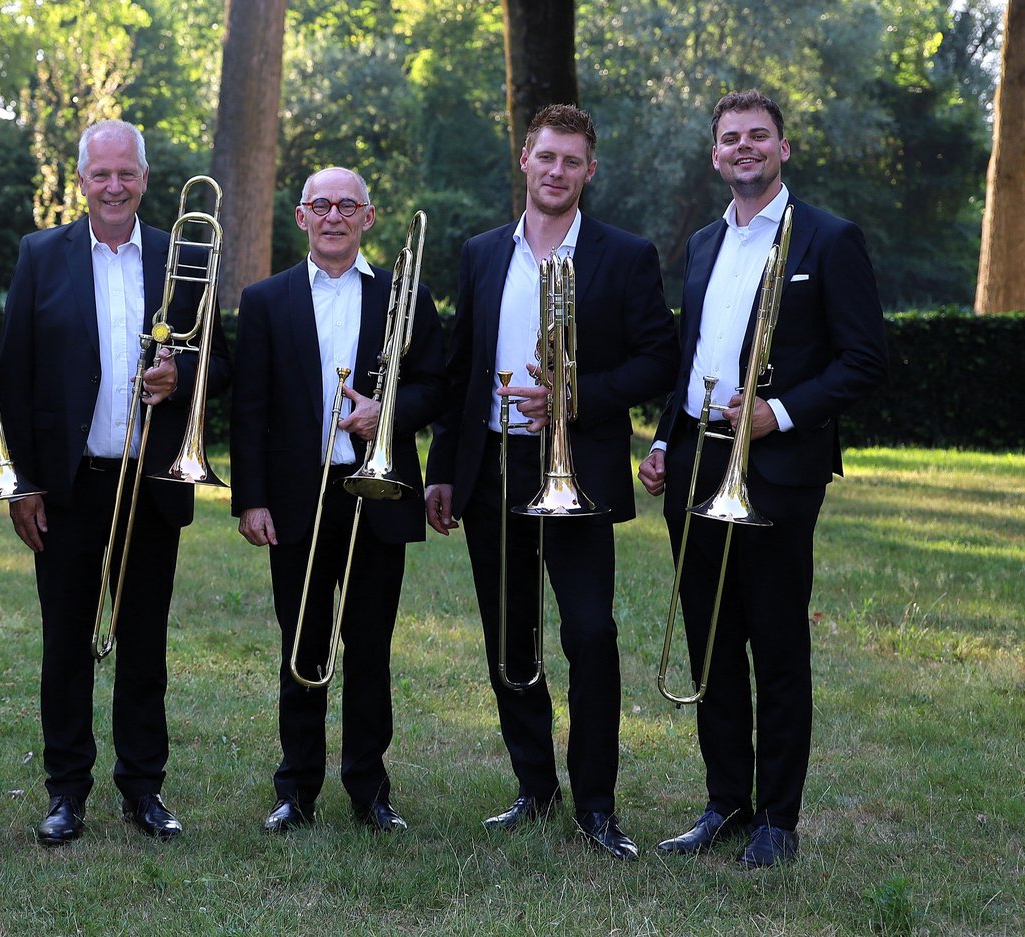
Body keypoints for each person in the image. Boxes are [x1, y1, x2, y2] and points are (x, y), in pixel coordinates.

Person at [638, 90, 886, 867]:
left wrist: (779, 413)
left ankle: (778, 818)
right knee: (711, 643)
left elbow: (864, 360)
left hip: (775, 464)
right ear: (715, 156)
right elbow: (695, 356)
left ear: (783, 148)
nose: (744, 147)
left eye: (758, 136)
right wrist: (662, 438)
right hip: (698, 455)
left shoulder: (829, 238)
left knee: (777, 643)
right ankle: (726, 803)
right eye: (730, 138)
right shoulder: (704, 244)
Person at [424, 104, 678, 860]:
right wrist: (443, 469)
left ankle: (596, 804)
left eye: (572, 160)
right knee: (511, 641)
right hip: (492, 468)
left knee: (591, 634)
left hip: (577, 470)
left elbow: (657, 361)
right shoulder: (478, 253)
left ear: (589, 170)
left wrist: (575, 394)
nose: (557, 171)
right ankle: (535, 789)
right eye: (546, 157)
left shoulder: (626, 254)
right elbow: (459, 371)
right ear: (525, 163)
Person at [0, 119, 230, 845]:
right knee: (65, 643)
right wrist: (23, 483)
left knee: (144, 641)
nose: (114, 185)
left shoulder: (182, 255)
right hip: (68, 486)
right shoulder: (41, 254)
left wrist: (180, 372)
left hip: (151, 480)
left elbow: (217, 358)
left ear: (145, 178)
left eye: (126, 172)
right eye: (100, 174)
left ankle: (143, 789)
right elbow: (15, 374)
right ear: (82, 181)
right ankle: (66, 791)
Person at [230, 167, 444, 835]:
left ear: (369, 217)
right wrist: (250, 499)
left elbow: (438, 385)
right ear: (300, 216)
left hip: (376, 491)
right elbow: (249, 408)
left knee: (370, 647)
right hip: (297, 496)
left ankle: (369, 789)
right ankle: (296, 787)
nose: (333, 216)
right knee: (303, 646)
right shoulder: (266, 299)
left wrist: (389, 411)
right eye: (320, 204)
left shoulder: (405, 294)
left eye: (346, 205)